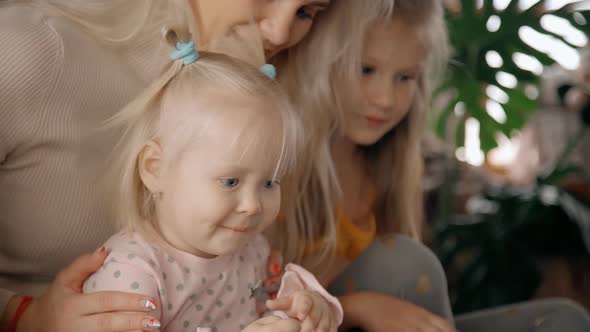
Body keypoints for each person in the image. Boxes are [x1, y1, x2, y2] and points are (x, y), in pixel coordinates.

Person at [0, 0, 332, 330]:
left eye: (306, 12)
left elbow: (259, 299)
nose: (280, 30)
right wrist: (20, 313)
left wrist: (305, 312)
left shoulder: (257, 107)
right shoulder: (28, 49)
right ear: (153, 167)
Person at [276, 0, 590, 331]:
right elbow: (250, 308)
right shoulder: (272, 163)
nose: (385, 98)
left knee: (563, 320)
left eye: (406, 77)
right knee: (401, 260)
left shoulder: (389, 170)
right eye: (365, 69)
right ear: (320, 61)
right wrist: (356, 308)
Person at [81, 30, 342, 332]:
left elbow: (270, 305)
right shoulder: (132, 273)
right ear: (155, 169)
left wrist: (308, 311)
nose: (252, 205)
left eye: (269, 182)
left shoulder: (251, 250)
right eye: (230, 182)